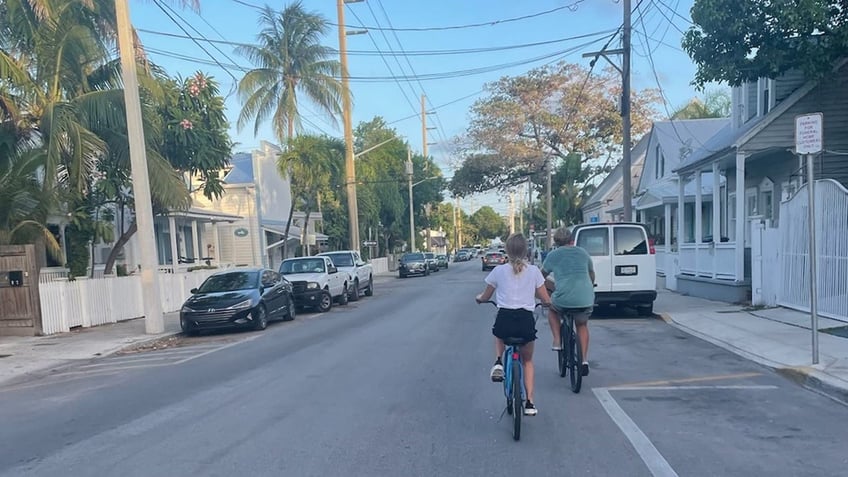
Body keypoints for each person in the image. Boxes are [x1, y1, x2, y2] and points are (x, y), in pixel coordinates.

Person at [476, 233, 551, 416]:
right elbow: (545, 298)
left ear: (507, 251)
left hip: (506, 320)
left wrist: (480, 299)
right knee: (528, 361)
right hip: (525, 321)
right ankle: (530, 403)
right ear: (526, 250)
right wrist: (547, 303)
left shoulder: (498, 271)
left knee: (499, 331)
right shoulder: (534, 271)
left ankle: (499, 361)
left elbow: (486, 296)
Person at [541, 227, 595, 377]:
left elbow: (540, 277)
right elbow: (591, 273)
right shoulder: (583, 253)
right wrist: (590, 286)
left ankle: (557, 340)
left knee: (552, 309)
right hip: (585, 297)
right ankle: (584, 360)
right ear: (572, 239)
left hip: (563, 298)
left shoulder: (553, 255)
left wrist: (549, 288)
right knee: (582, 325)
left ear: (556, 241)